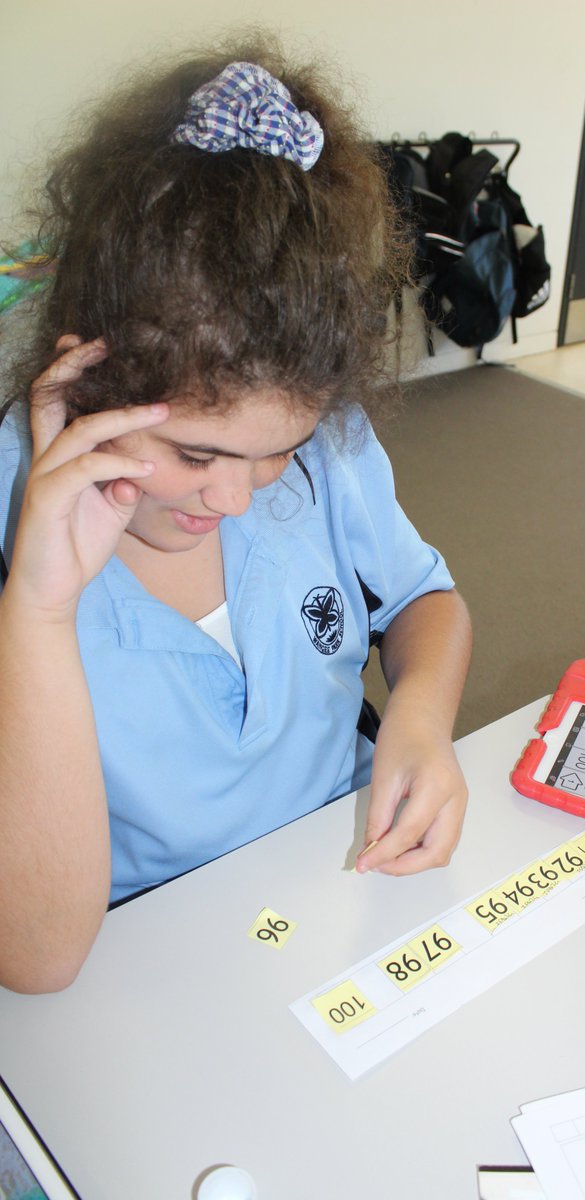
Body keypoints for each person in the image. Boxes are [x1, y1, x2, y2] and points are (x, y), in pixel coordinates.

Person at [0, 38, 472, 994]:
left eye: (275, 454)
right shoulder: (16, 535)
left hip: (334, 882)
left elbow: (427, 602)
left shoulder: (327, 446)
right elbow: (39, 958)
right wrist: (42, 609)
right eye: (195, 456)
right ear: (87, 376)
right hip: (143, 945)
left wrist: (420, 722)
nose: (233, 498)